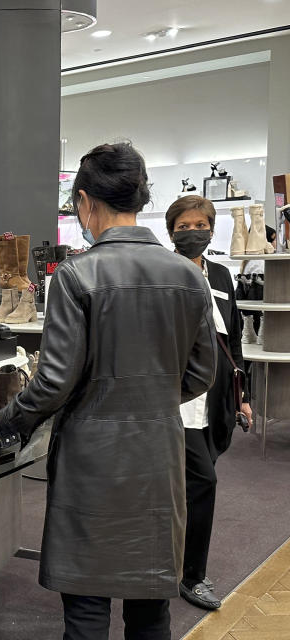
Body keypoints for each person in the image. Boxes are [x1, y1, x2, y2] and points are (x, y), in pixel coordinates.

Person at [0, 142, 217, 640]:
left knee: (86, 611)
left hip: (90, 461)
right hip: (159, 457)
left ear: (85, 202)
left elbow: (54, 380)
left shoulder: (76, 275)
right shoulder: (188, 275)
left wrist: (3, 420)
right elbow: (203, 372)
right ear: (140, 198)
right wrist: (153, 398)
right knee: (150, 612)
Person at [165, 195, 251, 610]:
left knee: (194, 483)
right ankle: (191, 576)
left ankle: (177, 563)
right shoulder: (163, 271)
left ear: (211, 229)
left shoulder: (220, 274)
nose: (193, 231)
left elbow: (232, 338)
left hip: (216, 397)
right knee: (202, 482)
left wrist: (243, 396)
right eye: (184, 226)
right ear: (172, 232)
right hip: (175, 398)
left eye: (200, 224)